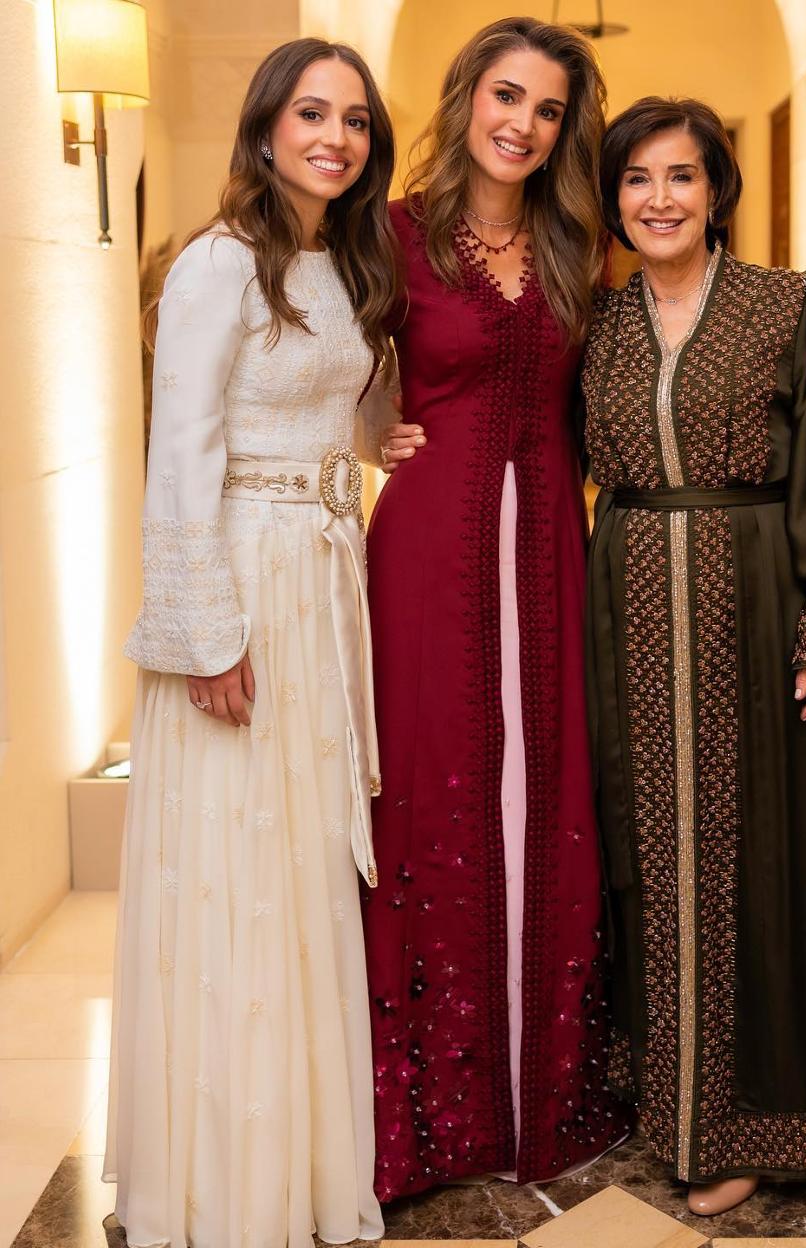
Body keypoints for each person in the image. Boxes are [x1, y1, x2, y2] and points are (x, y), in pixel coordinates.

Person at [107, 38, 400, 1248]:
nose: (335, 136)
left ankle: (306, 1157)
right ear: (266, 126)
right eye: (312, 113)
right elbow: (178, 454)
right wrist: (203, 634)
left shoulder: (345, 261)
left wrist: (386, 447)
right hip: (242, 588)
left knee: (301, 874)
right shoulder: (219, 263)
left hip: (328, 580)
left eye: (355, 119)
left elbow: (348, 404)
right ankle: (225, 1178)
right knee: (235, 871)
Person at [361, 18, 621, 1200]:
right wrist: (363, 439)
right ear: (468, 95)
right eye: (506, 94)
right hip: (426, 552)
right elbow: (312, 369)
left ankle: (544, 1095)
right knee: (431, 785)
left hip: (550, 557)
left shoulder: (576, 246)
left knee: (543, 789)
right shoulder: (391, 232)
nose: (522, 122)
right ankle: (437, 1114)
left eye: (550, 108)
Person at [579, 96, 806, 1216]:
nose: (659, 200)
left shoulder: (785, 305)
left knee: (758, 853)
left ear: (717, 190)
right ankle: (667, 1105)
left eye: (681, 177)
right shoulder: (594, 322)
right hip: (628, 595)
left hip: (753, 596)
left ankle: (763, 1121)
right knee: (648, 853)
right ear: (613, 201)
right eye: (637, 181)